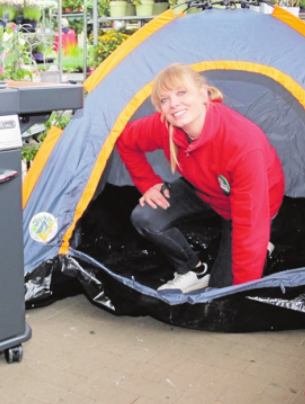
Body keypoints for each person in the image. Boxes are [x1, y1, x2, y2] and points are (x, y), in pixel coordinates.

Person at [115, 63, 285, 294]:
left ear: (203, 94)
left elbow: (250, 225)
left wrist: (241, 294)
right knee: (145, 217)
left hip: (252, 204)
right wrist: (148, 183)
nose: (174, 103)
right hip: (204, 189)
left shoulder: (243, 144)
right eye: (164, 99)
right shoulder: (165, 125)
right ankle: (194, 270)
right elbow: (126, 141)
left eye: (181, 92)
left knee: (222, 293)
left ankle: (263, 249)